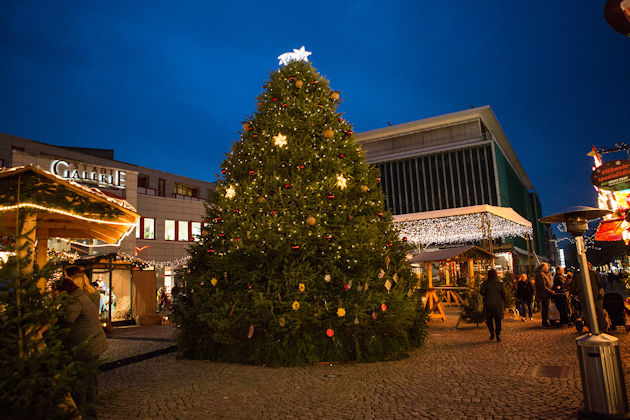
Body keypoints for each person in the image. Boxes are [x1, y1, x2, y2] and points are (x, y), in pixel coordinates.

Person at [55, 276, 108, 418]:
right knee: (89, 381)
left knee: (82, 382)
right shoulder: (81, 296)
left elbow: (66, 319)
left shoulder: (75, 301)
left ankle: (82, 412)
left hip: (87, 346)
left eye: (58, 292)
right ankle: (90, 412)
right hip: (93, 343)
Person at [571, 261, 606, 332]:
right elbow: (600, 284)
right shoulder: (594, 273)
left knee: (589, 314)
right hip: (593, 297)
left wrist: (575, 294)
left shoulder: (578, 275)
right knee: (597, 313)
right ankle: (601, 329)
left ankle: (593, 329)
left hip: (588, 297)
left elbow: (573, 287)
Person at [480, 269, 506, 342]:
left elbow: (482, 292)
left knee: (489, 320)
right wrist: (504, 302)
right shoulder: (499, 283)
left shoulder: (485, 283)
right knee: (498, 320)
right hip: (498, 304)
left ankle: (491, 332)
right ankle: (498, 334)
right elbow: (503, 294)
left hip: (488, 304)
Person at [535, 263, 554, 327]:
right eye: (546, 267)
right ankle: (545, 322)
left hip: (546, 294)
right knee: (545, 308)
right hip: (544, 294)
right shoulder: (540, 274)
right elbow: (543, 286)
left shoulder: (544, 274)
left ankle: (546, 321)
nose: (547, 268)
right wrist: (550, 291)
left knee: (546, 308)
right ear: (542, 267)